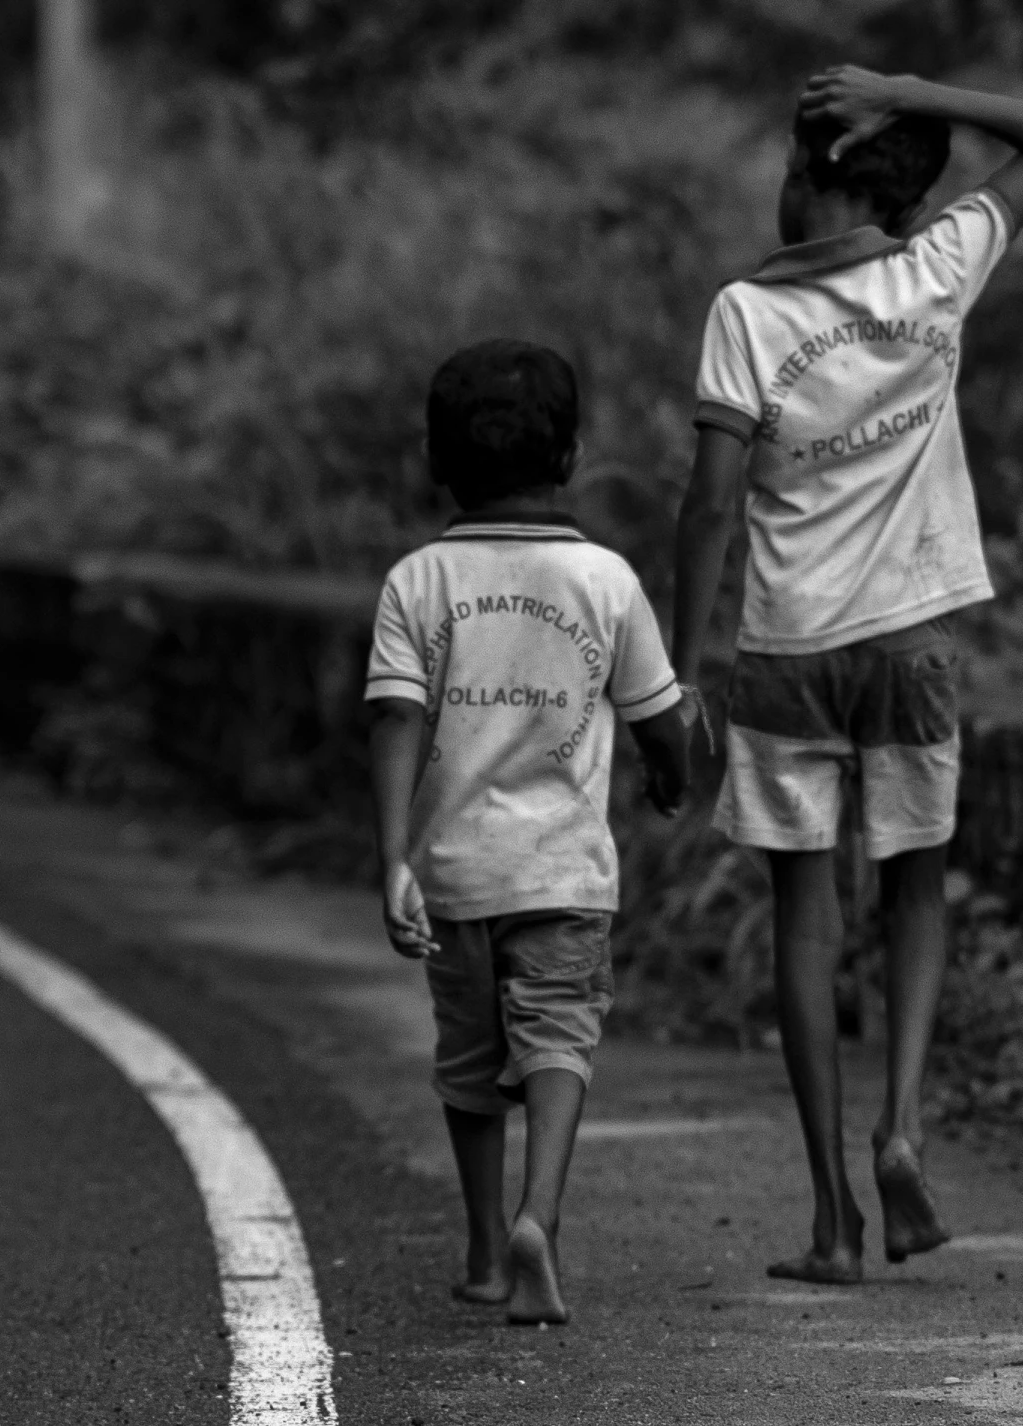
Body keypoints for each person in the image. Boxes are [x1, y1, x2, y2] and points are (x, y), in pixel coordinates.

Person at [669, 66, 1023, 1283]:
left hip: (790, 652)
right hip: (910, 646)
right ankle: (900, 1127)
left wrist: (682, 666)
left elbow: (708, 505)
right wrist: (909, 90)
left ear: (813, 175)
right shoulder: (936, 265)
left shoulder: (743, 315)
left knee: (807, 914)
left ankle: (831, 1221)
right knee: (914, 886)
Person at [367, 338, 693, 1325]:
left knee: (468, 1066)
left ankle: (478, 1251)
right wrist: (670, 779)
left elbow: (394, 717)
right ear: (571, 455)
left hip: (454, 874)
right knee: (557, 1038)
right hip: (562, 871)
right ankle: (537, 1215)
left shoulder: (416, 581)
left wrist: (391, 859)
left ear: (436, 459)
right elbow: (657, 716)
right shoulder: (605, 579)